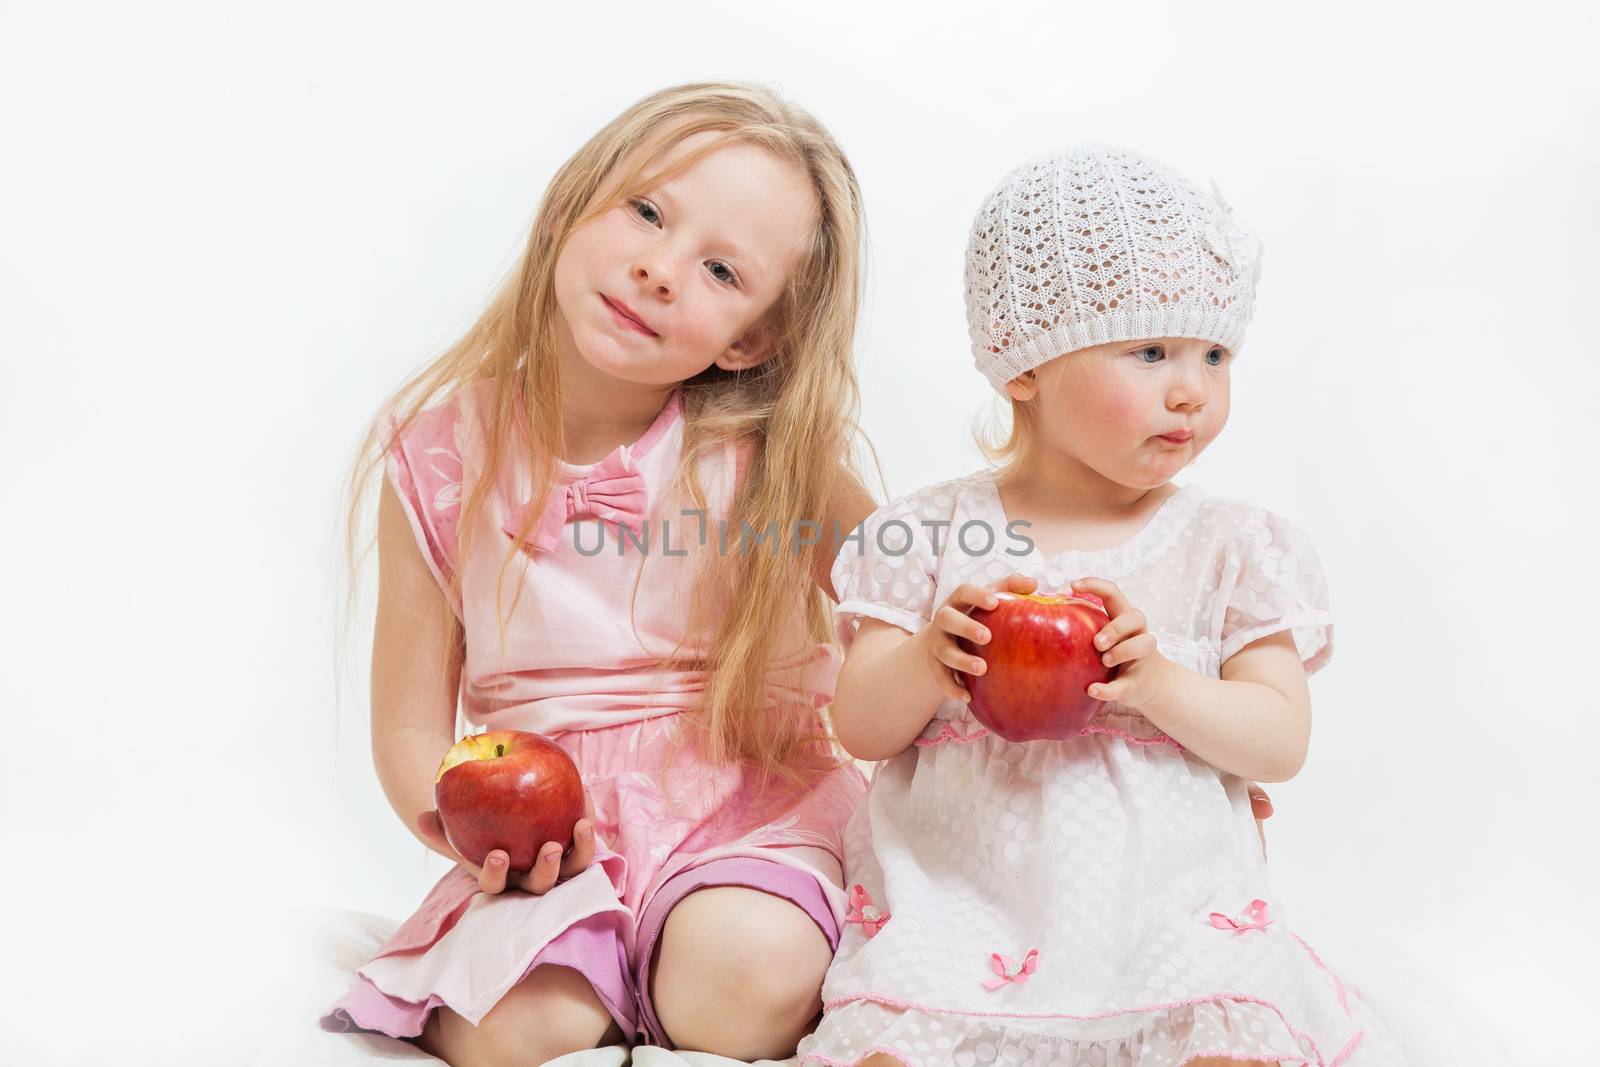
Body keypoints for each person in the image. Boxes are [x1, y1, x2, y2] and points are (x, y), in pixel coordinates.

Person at [798, 146, 1408, 1066]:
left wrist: (1157, 681)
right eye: (1151, 349)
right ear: (1024, 366)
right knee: (895, 1040)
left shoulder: (1233, 545)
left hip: (1168, 901)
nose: (1191, 388)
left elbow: (1279, 739)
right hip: (967, 894)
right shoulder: (925, 530)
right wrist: (930, 660)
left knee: (1223, 1033)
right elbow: (862, 725)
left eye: (1215, 353)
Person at [317, 81, 879, 1064]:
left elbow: (901, 603)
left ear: (750, 336)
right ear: (573, 205)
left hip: (748, 803)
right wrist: (478, 840)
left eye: (718, 269)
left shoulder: (770, 454)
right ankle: (598, 964)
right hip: (549, 824)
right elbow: (409, 721)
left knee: (742, 978)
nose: (659, 269)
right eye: (647, 212)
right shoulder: (437, 453)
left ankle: (678, 962)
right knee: (524, 1030)